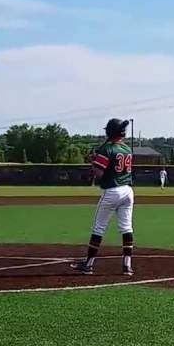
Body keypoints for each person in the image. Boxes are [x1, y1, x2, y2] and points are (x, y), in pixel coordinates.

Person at [71, 118, 136, 276]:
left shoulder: (106, 149)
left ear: (109, 131)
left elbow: (99, 173)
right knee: (126, 227)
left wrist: (93, 164)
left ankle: (88, 264)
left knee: (98, 227)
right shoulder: (127, 149)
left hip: (112, 191)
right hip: (128, 191)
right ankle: (127, 266)